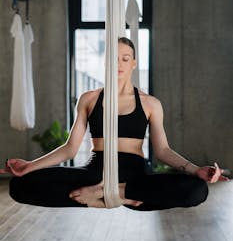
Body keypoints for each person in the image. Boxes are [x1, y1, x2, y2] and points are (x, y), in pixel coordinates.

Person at [0, 37, 229, 211]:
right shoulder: (89, 99)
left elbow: (163, 151)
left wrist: (196, 169)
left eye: (125, 58)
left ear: (134, 63)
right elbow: (70, 148)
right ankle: (99, 197)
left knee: (197, 190)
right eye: (113, 58)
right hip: (95, 171)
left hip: (135, 176)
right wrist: (30, 166)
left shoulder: (150, 103)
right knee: (19, 186)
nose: (119, 64)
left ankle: (110, 194)